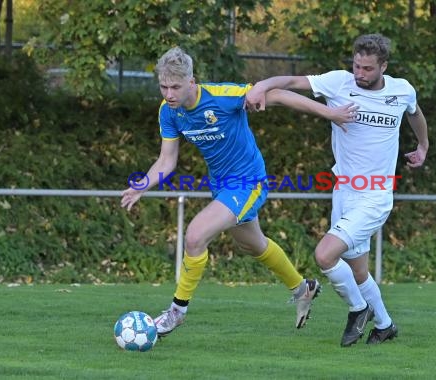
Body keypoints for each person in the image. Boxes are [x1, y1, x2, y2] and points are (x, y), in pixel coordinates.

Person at [120, 46, 357, 337]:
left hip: (248, 182)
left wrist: (330, 113)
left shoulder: (223, 97)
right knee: (253, 245)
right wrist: (142, 185)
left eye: (175, 87)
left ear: (192, 82)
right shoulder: (168, 112)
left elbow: (278, 96)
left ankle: (176, 312)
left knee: (195, 236)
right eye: (164, 86)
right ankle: (303, 288)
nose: (169, 93)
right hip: (221, 185)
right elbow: (167, 160)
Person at [246, 33, 429, 346]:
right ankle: (385, 325)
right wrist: (261, 86)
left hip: (375, 195)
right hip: (343, 191)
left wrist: (423, 144)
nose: (360, 73)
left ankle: (358, 309)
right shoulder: (338, 82)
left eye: (368, 68)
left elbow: (414, 113)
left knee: (325, 254)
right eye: (357, 65)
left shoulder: (402, 90)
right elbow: (289, 82)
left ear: (383, 66)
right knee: (359, 272)